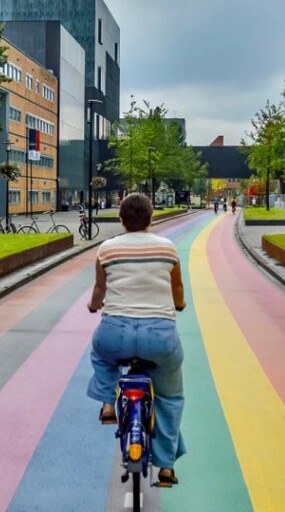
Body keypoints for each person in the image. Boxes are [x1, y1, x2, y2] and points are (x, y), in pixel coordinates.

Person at [87, 193, 186, 488]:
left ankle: (107, 403)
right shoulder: (167, 248)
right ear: (151, 218)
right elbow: (177, 286)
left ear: (121, 219)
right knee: (170, 399)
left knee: (100, 355)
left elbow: (99, 288)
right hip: (160, 336)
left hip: (115, 332)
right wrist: (178, 305)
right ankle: (166, 467)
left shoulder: (107, 249)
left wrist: (94, 306)